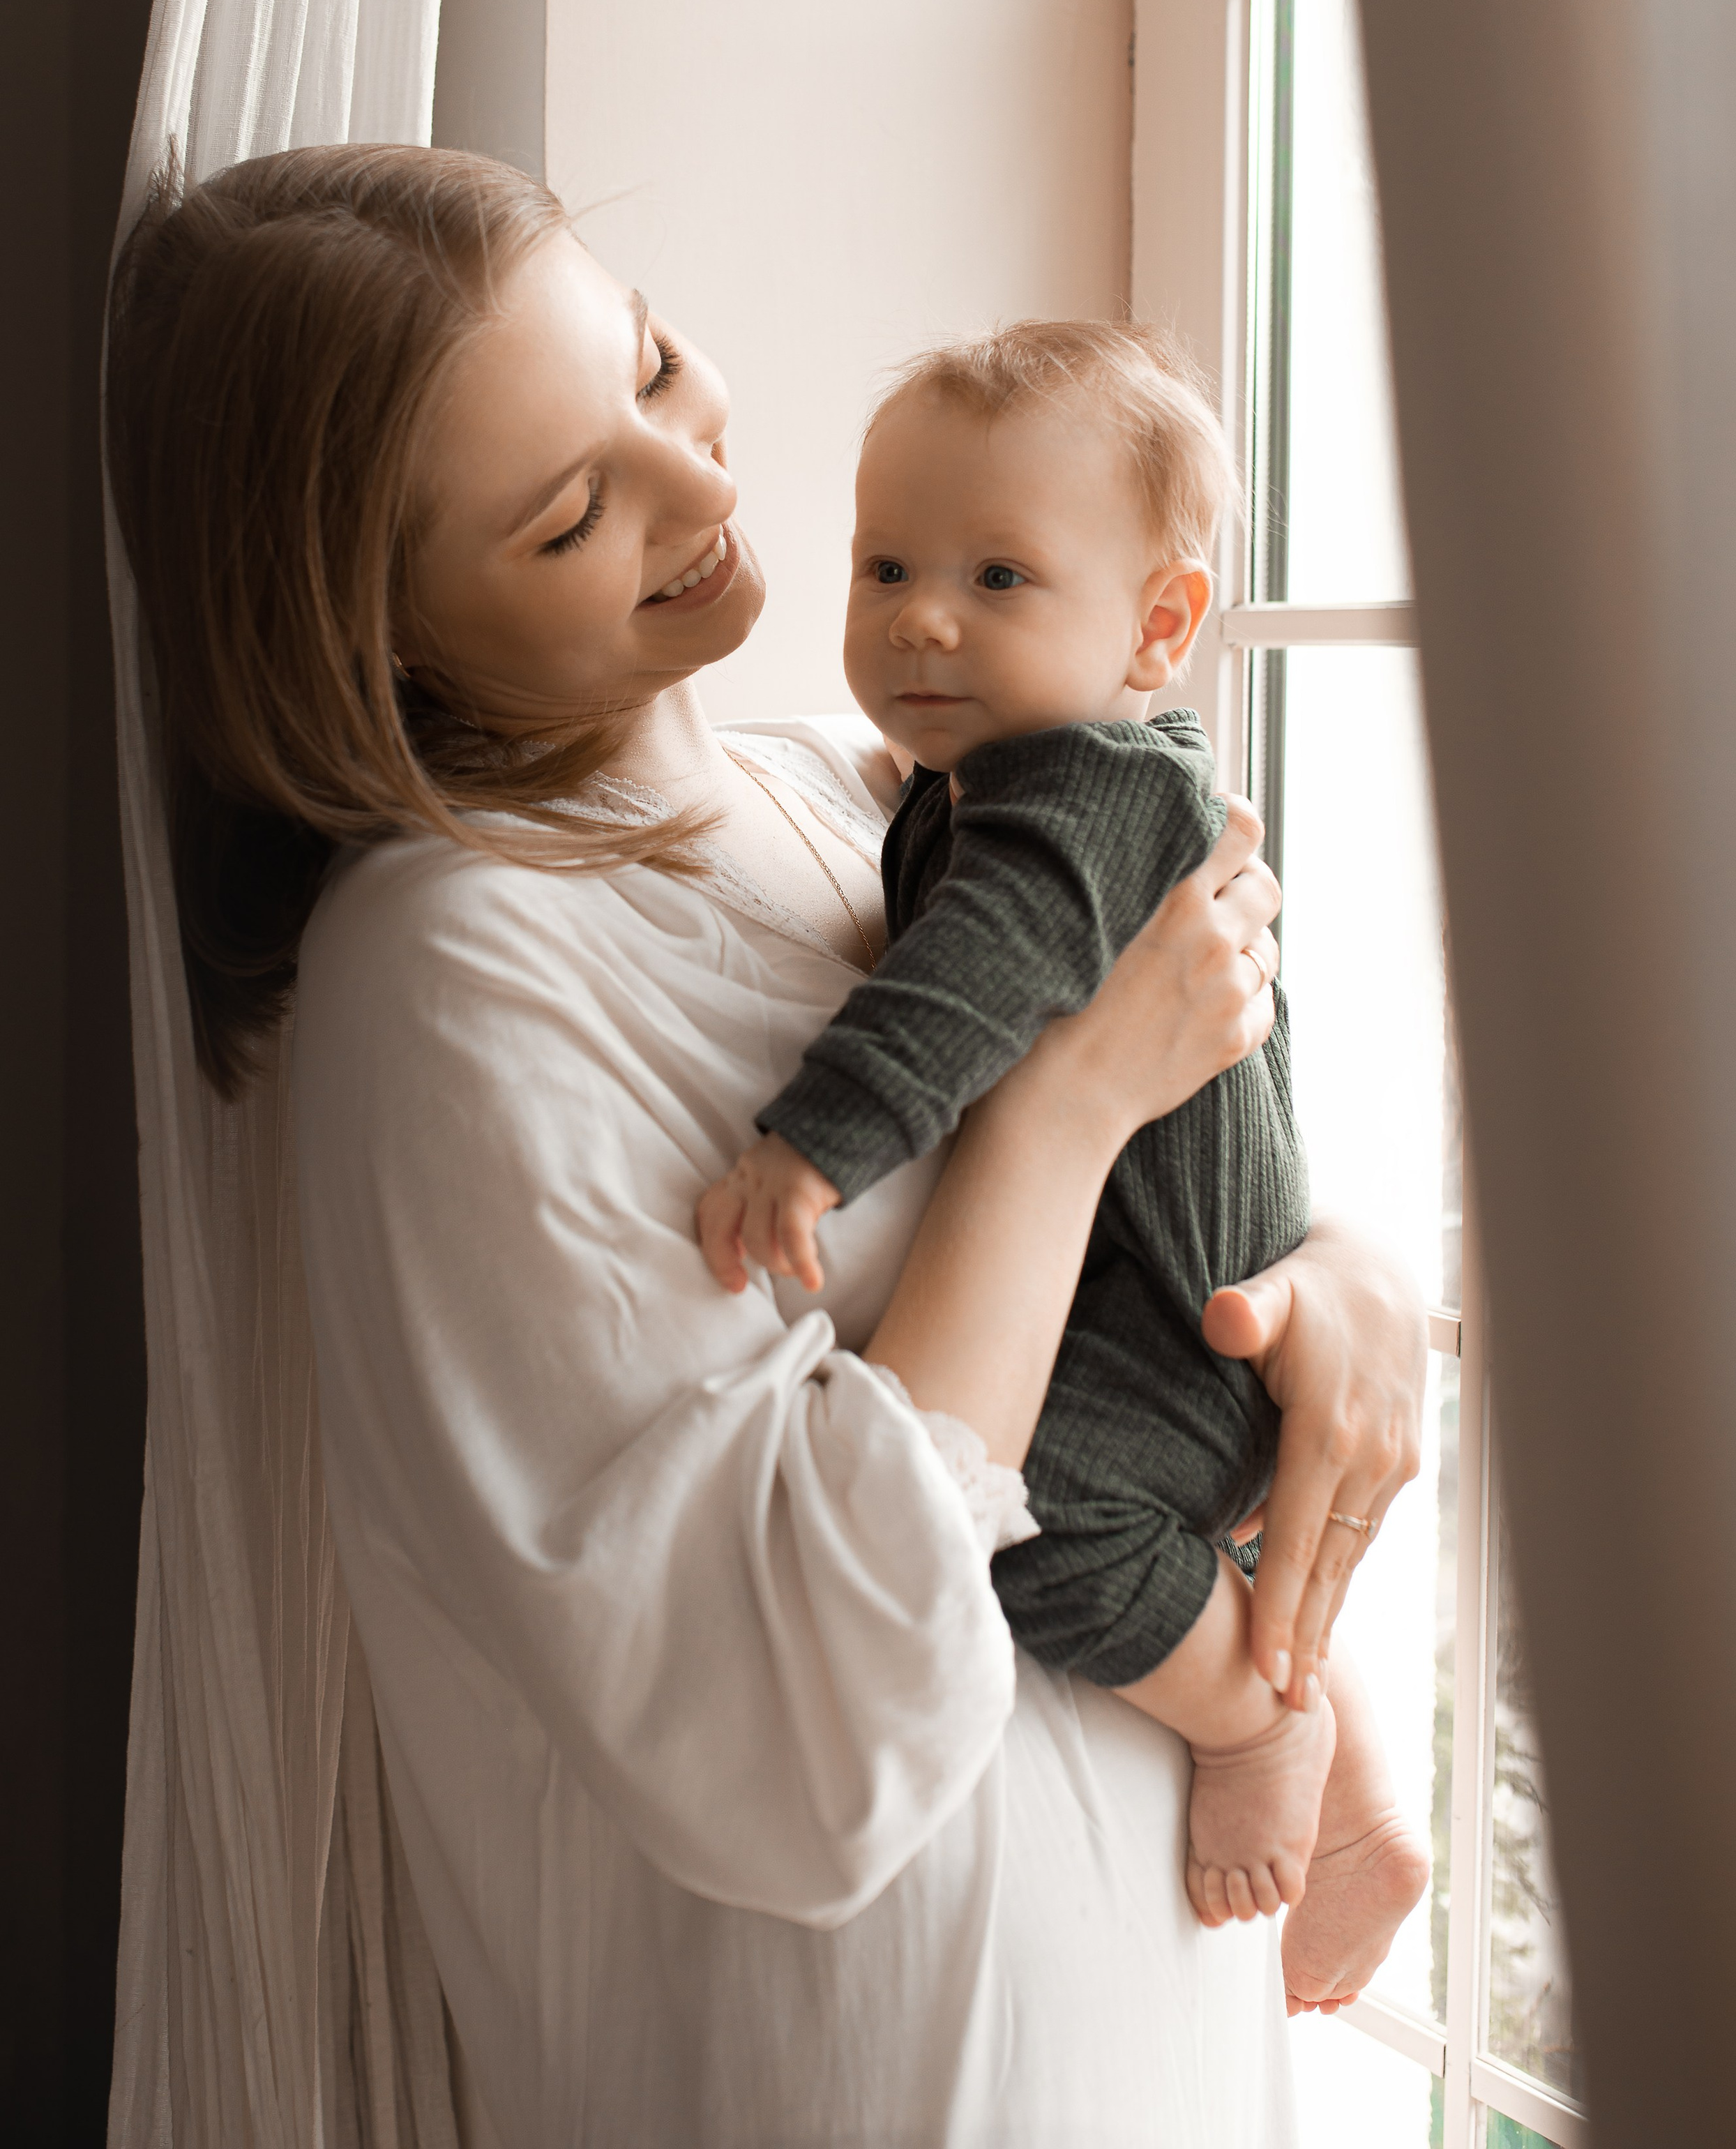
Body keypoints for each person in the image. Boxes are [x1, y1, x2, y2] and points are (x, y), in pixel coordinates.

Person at [106, 142, 1429, 2147]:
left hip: (1144, 2042)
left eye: (649, 371)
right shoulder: (454, 978)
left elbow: (1183, 1161)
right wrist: (1065, 1111)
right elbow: (798, 1738)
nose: (711, 489)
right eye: (574, 513)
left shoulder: (857, 790)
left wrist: (1349, 1288)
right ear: (377, 640)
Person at [697, 322, 1428, 1995]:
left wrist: (813, 1147)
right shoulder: (985, 776)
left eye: (999, 577)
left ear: (1157, 627)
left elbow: (974, 977)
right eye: (886, 563)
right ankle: (1325, 1714)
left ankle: (1258, 1718)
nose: (919, 617)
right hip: (1169, 1287)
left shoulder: (1078, 795)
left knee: (1030, 1529)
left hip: (1180, 1322)